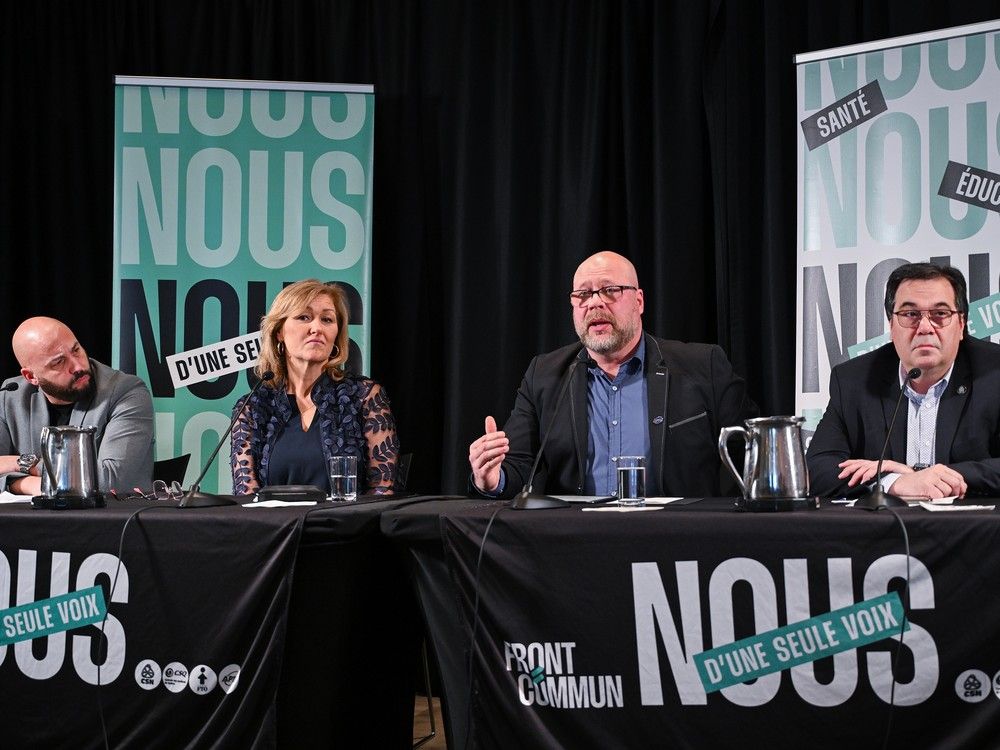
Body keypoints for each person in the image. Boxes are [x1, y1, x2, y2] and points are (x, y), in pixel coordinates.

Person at [468, 251, 757, 499]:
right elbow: (518, 466)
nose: (594, 303)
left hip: (677, 537)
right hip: (578, 537)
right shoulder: (544, 375)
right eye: (583, 294)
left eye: (610, 290)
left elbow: (752, 455)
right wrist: (492, 478)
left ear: (639, 301)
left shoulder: (703, 366)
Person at [807, 262, 1000, 498]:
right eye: (910, 315)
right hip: (888, 522)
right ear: (891, 325)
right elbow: (817, 468)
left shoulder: (994, 374)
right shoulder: (853, 380)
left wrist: (929, 477)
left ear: (961, 325)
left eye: (940, 314)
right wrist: (893, 482)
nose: (925, 328)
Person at [230, 279, 398, 495]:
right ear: (279, 331)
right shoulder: (252, 408)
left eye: (327, 319)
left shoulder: (364, 396)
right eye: (304, 317)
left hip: (348, 517)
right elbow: (246, 497)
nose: (317, 328)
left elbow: (382, 489)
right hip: (274, 518)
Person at [0, 317, 154, 495]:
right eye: (59, 362)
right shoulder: (10, 395)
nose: (78, 366)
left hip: (108, 513)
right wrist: (26, 484)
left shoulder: (127, 392)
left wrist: (21, 465)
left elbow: (111, 480)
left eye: (76, 350)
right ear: (31, 376)